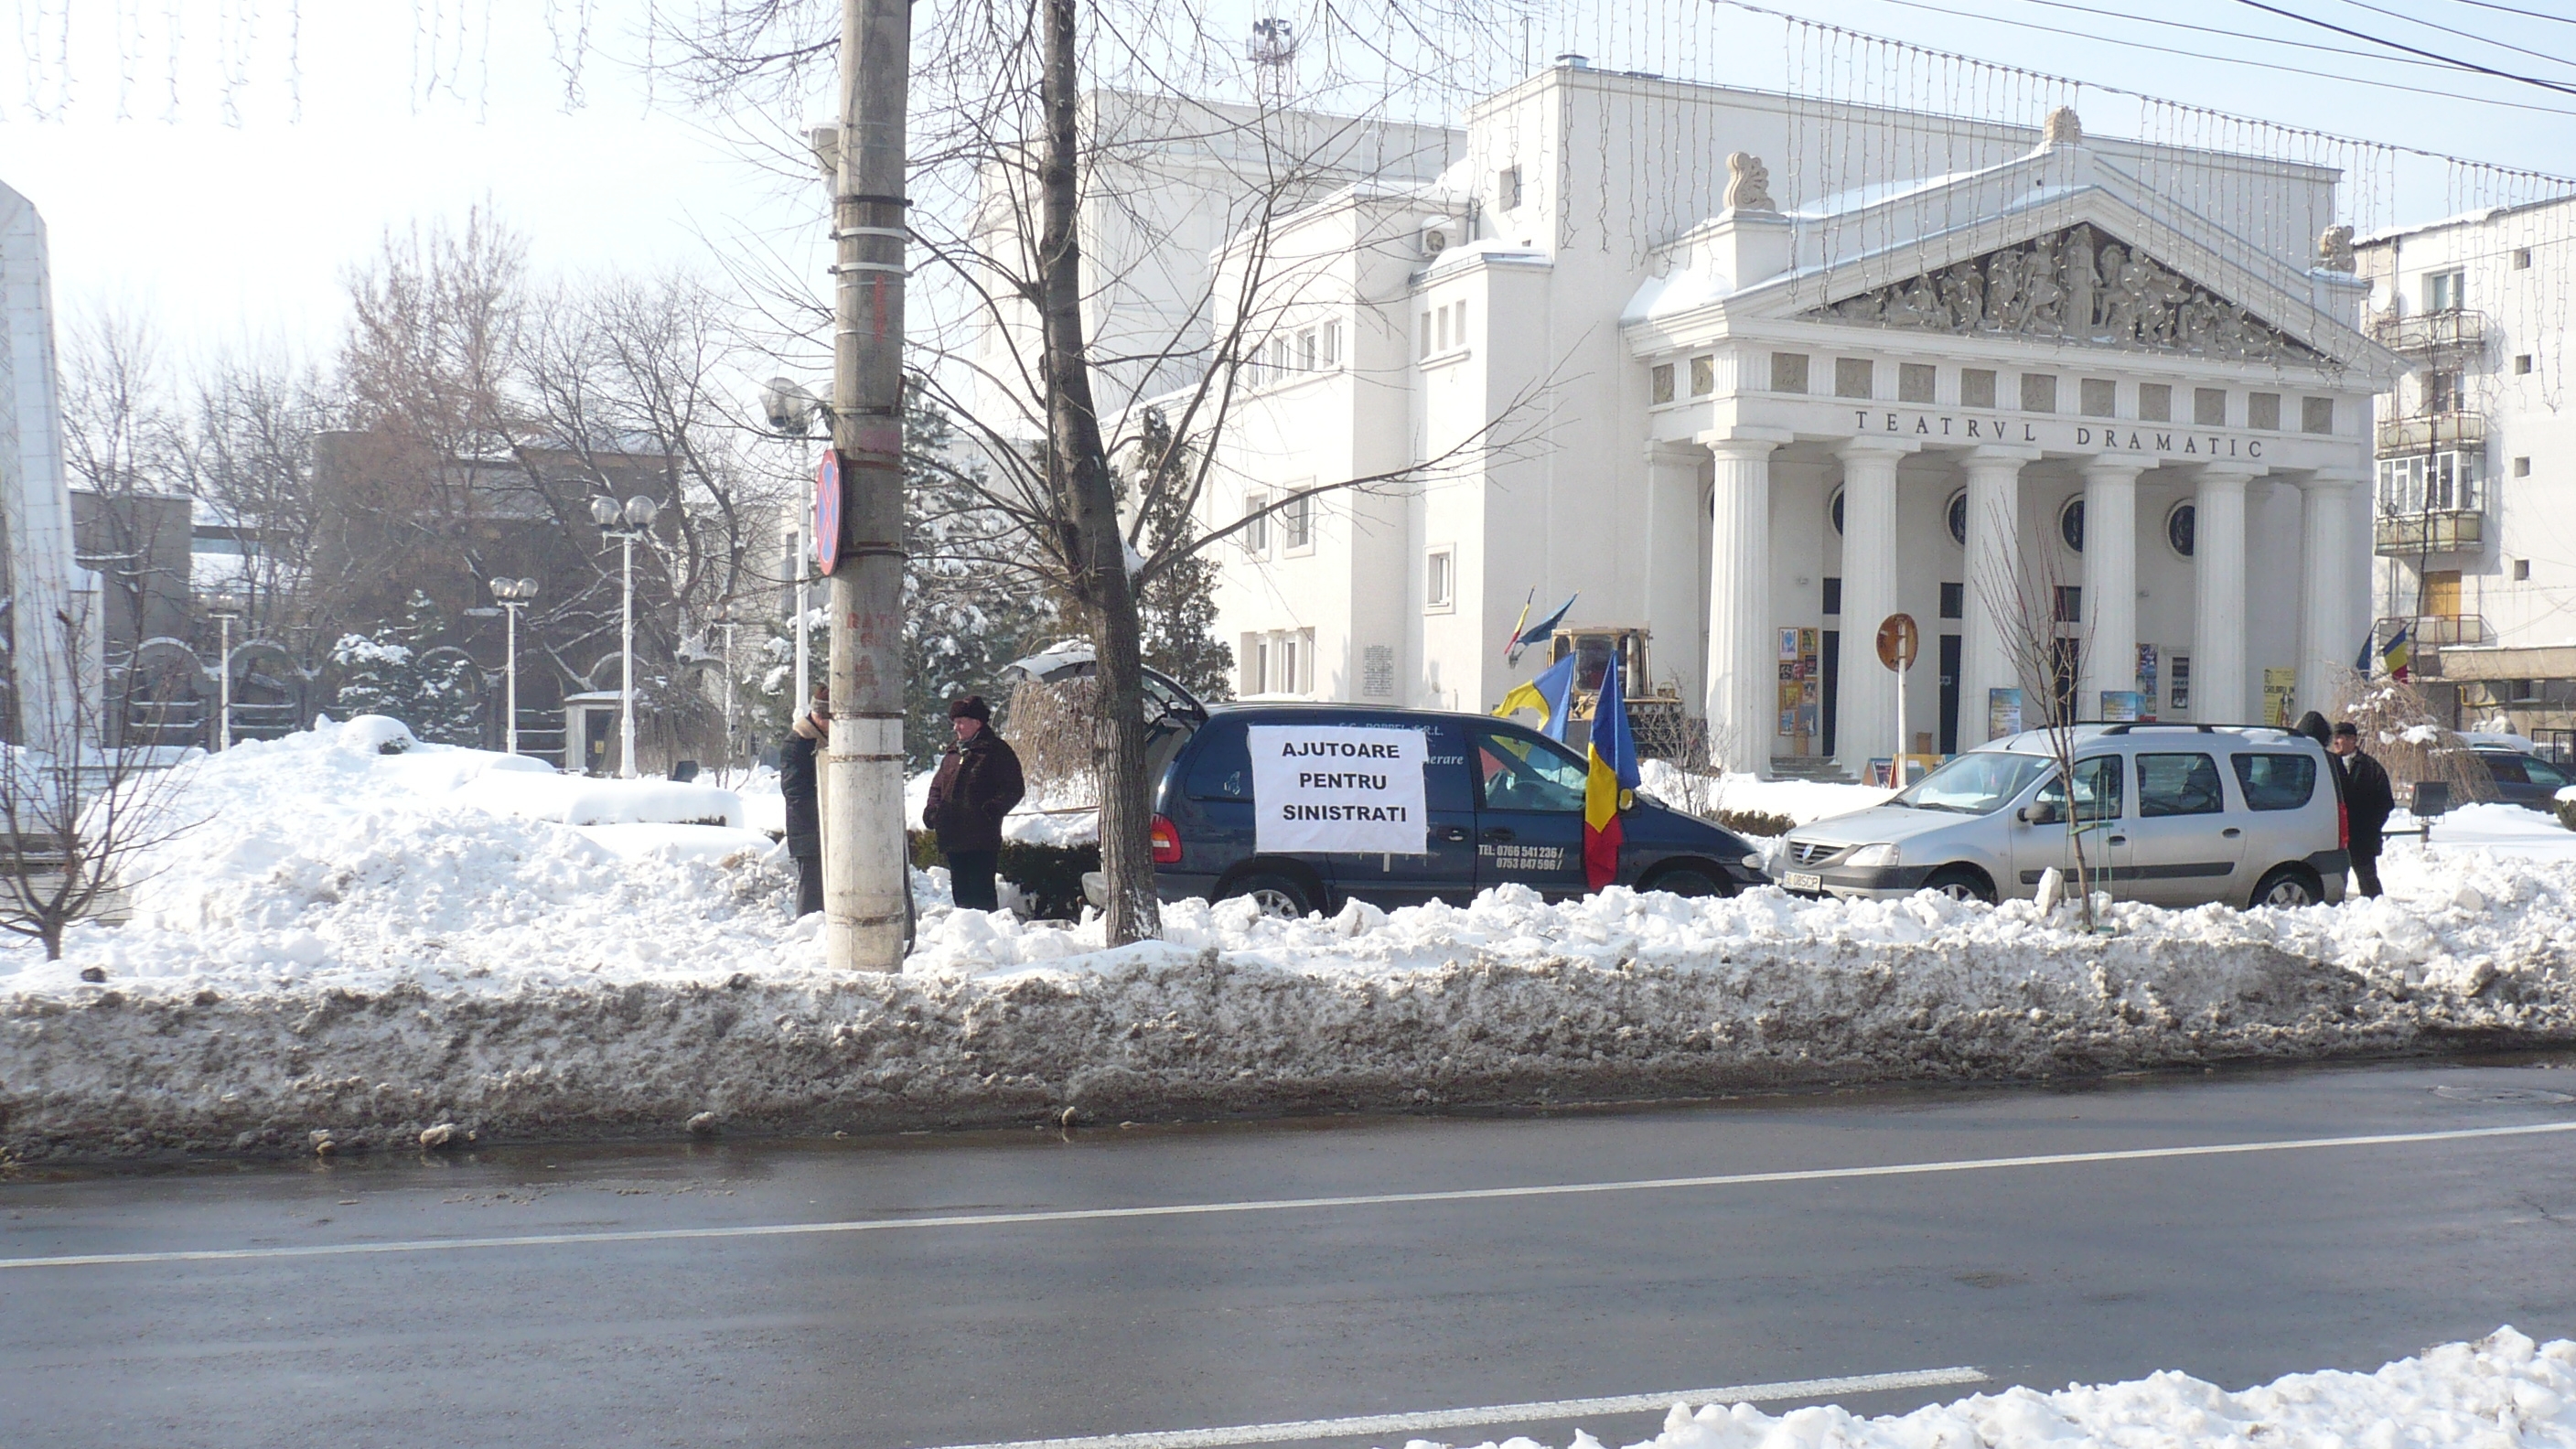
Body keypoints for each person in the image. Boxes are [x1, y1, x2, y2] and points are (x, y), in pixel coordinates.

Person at [922, 695, 1024, 913]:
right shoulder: (953, 753)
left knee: (982, 893)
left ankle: (987, 930)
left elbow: (1014, 788)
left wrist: (993, 809)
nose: (956, 727)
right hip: (953, 836)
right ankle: (966, 929)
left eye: (960, 722)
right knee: (961, 894)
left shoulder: (995, 751)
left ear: (977, 723)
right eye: (954, 722)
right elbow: (937, 787)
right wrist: (933, 810)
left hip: (981, 837)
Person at [779, 687, 828, 918]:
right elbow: (794, 790)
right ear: (817, 715)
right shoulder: (798, 742)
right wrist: (818, 816)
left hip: (825, 827)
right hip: (808, 829)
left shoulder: (823, 738)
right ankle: (808, 926)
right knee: (812, 885)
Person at [2333, 721, 2396, 898]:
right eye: (2335, 737)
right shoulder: (2329, 764)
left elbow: (2386, 802)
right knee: (2333, 881)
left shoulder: (2370, 767)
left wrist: (2369, 825)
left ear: (2352, 740)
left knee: (2368, 880)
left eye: (2340, 737)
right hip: (2334, 834)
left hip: (2362, 837)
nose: (2336, 742)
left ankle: (2376, 908)